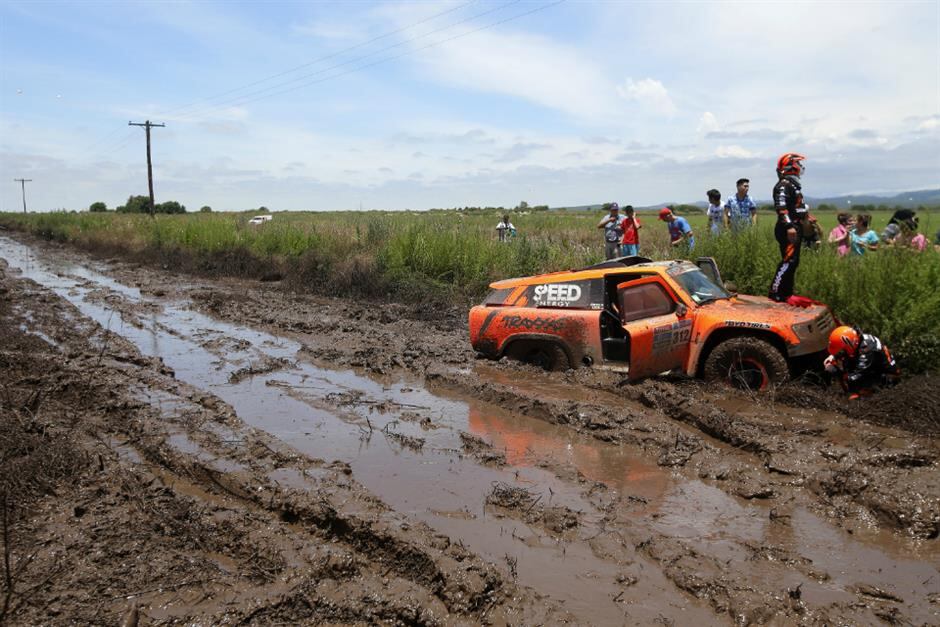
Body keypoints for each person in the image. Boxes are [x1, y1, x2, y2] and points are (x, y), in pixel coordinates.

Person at [768, 153, 808, 302]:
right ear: (791, 166)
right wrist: (790, 226)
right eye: (799, 165)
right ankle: (775, 291)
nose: (801, 168)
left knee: (794, 261)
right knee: (788, 260)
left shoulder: (793, 185)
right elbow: (782, 208)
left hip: (796, 226)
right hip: (788, 229)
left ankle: (787, 292)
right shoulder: (783, 185)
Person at [824, 325, 899, 400]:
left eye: (841, 350)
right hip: (872, 366)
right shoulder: (856, 339)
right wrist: (833, 356)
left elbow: (855, 375)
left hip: (889, 377)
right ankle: (856, 391)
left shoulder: (866, 350)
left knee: (852, 380)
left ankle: (867, 397)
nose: (841, 352)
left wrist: (837, 372)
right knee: (847, 362)